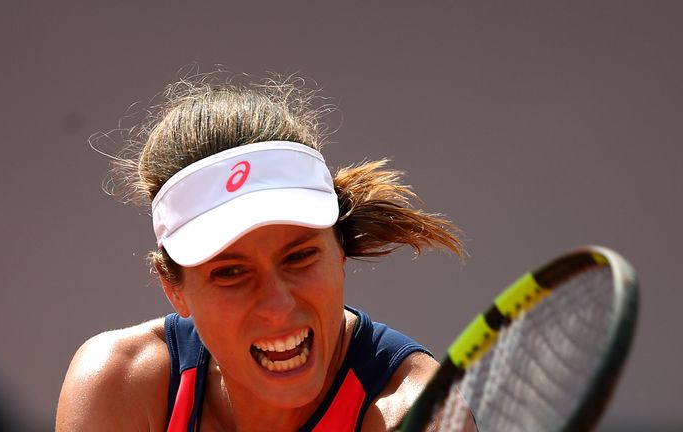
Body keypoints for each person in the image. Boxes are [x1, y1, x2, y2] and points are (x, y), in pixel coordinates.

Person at [55, 74, 466, 432]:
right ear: (173, 288)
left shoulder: (416, 414)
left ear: (340, 248)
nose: (277, 305)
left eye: (299, 257)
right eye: (230, 272)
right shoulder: (117, 386)